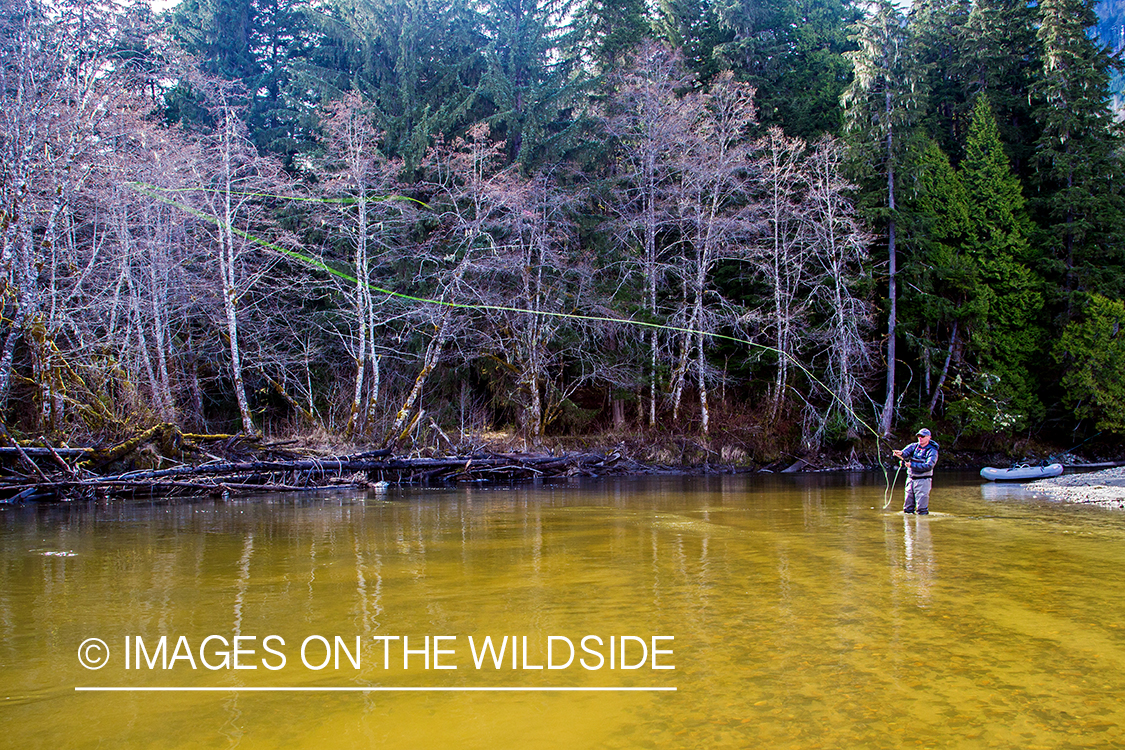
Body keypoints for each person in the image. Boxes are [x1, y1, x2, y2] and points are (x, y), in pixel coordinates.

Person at [893, 428, 939, 515]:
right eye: (918, 436)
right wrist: (900, 454)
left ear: (929, 437)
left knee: (921, 509)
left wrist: (912, 466)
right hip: (910, 480)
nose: (920, 438)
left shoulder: (932, 451)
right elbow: (905, 453)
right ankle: (908, 527)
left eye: (922, 436)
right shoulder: (913, 446)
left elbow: (929, 466)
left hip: (923, 481)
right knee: (907, 509)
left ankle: (922, 526)